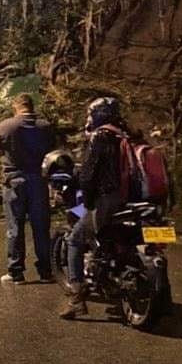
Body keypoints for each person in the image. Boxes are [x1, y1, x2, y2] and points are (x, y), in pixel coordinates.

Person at [60, 96, 129, 320]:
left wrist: (87, 202)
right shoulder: (126, 135)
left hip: (107, 200)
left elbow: (88, 175)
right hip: (131, 201)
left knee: (74, 240)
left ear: (98, 115)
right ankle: (162, 296)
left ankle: (76, 300)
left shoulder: (101, 137)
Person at [0, 93, 56, 285]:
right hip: (38, 180)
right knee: (41, 227)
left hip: (15, 181)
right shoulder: (45, 127)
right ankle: (46, 271)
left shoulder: (7, 126)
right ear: (32, 106)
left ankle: (16, 272)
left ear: (16, 107)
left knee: (15, 226)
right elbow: (53, 149)